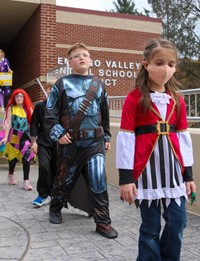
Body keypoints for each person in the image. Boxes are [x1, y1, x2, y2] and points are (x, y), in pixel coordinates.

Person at [116, 38, 196, 260]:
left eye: (171, 64)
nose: (166, 69)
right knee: (150, 229)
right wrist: (126, 178)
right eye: (160, 62)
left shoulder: (178, 101)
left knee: (178, 222)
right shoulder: (134, 99)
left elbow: (183, 139)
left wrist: (188, 176)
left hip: (174, 175)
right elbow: (126, 139)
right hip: (146, 175)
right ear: (146, 65)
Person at [45, 43, 118, 239]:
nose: (81, 58)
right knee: (64, 180)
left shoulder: (99, 84)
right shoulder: (61, 83)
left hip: (95, 143)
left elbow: (105, 113)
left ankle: (103, 222)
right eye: (76, 56)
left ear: (90, 59)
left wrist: (107, 136)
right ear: (70, 62)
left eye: (85, 55)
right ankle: (55, 207)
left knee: (98, 181)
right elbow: (50, 114)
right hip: (70, 143)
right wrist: (59, 133)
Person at [0, 88, 34, 190]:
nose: (19, 98)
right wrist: (6, 136)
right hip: (14, 136)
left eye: (21, 96)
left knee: (27, 156)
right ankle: (11, 175)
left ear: (24, 98)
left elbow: (32, 124)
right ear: (14, 98)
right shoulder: (11, 108)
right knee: (13, 159)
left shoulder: (28, 108)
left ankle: (26, 181)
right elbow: (8, 123)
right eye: (17, 96)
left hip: (25, 136)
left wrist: (34, 139)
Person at [30, 81, 57, 206]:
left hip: (59, 144)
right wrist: (33, 141)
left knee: (55, 169)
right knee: (44, 167)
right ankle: (42, 195)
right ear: (46, 90)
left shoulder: (62, 107)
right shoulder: (40, 107)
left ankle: (52, 193)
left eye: (54, 88)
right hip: (43, 143)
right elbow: (34, 124)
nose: (51, 90)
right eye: (49, 88)